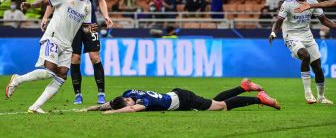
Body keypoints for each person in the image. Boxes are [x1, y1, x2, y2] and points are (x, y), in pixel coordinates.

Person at [5, 0, 98, 114]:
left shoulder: (87, 5)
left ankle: (34, 107)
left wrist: (90, 29)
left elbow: (84, 27)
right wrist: (30, 6)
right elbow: (45, 1)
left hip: (67, 44)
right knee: (50, 71)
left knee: (61, 75)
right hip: (53, 37)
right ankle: (18, 79)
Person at [41, 0, 113, 105]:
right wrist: (45, 17)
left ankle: (101, 93)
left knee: (95, 57)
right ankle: (78, 95)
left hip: (89, 23)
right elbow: (53, 0)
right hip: (71, 25)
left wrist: (106, 16)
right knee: (75, 58)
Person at [269, 0, 335, 105]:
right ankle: (308, 93)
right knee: (305, 55)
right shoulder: (287, 4)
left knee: (317, 68)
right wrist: (273, 33)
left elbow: (324, 20)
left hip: (307, 36)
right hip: (291, 36)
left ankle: (321, 97)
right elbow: (278, 22)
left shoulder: (312, 2)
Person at [83, 79, 280, 114]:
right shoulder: (129, 93)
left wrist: (112, 114)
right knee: (216, 101)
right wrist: (89, 109)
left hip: (183, 99)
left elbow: (132, 109)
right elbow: (109, 103)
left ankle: (259, 98)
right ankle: (244, 87)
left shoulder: (142, 102)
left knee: (221, 106)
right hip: (179, 96)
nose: (128, 102)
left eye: (126, 104)